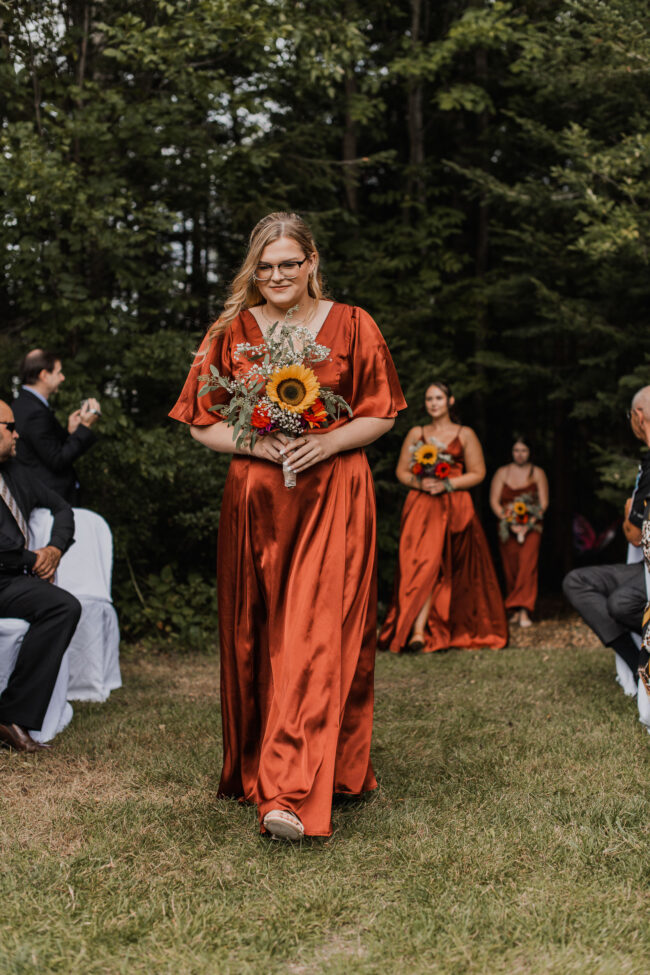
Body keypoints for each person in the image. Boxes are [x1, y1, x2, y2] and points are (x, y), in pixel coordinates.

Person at [170, 211, 406, 841]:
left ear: (311, 263)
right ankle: (287, 765)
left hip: (333, 494)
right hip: (258, 501)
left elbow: (380, 413)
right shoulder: (232, 332)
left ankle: (289, 793)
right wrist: (256, 444)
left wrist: (325, 445)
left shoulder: (354, 324)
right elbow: (201, 422)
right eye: (265, 266)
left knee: (316, 633)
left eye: (288, 264)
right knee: (259, 632)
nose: (276, 275)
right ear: (256, 268)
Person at [378, 381, 507, 654]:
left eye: (438, 398)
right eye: (428, 399)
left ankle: (433, 629)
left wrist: (447, 484)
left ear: (450, 401)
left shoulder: (465, 434)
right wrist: (420, 483)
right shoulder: (417, 433)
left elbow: (478, 473)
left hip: (454, 506)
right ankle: (416, 632)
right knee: (423, 565)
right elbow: (402, 471)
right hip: (422, 507)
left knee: (447, 568)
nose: (433, 403)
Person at [0, 399, 81, 753]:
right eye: (9, 427)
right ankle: (11, 716)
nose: (18, 434)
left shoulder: (13, 470)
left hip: (14, 577)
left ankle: (10, 715)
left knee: (63, 606)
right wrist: (32, 558)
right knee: (61, 606)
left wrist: (55, 550)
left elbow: (61, 506)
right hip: (7, 574)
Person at [563, 386, 650, 681]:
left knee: (622, 603)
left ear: (638, 416)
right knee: (578, 581)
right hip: (643, 567)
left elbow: (635, 536)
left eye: (630, 416)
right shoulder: (647, 462)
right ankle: (636, 661)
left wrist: (628, 511)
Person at [13, 349, 100, 503]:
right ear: (44, 375)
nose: (62, 378)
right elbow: (57, 460)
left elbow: (44, 450)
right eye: (58, 372)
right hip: (51, 502)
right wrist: (85, 426)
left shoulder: (26, 404)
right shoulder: (34, 412)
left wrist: (70, 432)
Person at [489, 437, 549, 627]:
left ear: (530, 452)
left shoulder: (537, 473)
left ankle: (524, 610)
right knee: (511, 567)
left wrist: (528, 522)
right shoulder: (502, 472)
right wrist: (510, 521)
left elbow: (543, 502)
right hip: (508, 527)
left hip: (531, 527)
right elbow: (494, 502)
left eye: (523, 450)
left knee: (527, 567)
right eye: (516, 450)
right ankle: (514, 610)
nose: (520, 454)